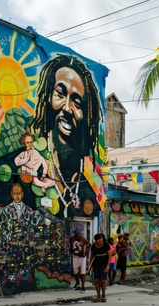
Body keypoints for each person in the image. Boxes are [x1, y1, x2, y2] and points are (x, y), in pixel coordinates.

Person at [29, 55, 102, 216]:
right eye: (60, 94)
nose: (67, 108)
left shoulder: (90, 188)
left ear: (88, 115)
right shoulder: (27, 166)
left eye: (77, 103)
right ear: (48, 97)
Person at [90, 234, 113, 302]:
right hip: (96, 264)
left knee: (103, 280)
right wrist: (90, 265)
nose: (98, 241)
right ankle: (98, 296)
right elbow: (92, 255)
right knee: (96, 280)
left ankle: (103, 295)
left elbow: (109, 256)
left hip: (104, 264)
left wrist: (108, 266)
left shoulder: (106, 245)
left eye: (99, 239)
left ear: (101, 239)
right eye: (97, 240)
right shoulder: (94, 245)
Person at [69, 228, 91, 293]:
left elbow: (89, 245)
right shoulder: (72, 239)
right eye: (76, 234)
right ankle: (77, 284)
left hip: (82, 257)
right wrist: (71, 251)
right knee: (75, 271)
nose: (77, 235)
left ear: (80, 233)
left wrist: (86, 252)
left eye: (78, 234)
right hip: (75, 256)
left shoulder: (83, 239)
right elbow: (70, 246)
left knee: (83, 271)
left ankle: (83, 286)